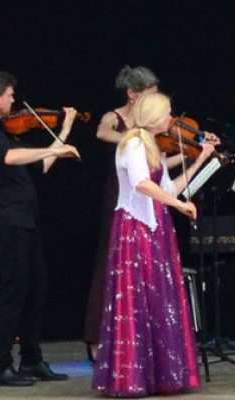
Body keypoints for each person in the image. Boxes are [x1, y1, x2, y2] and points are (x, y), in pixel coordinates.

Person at [92, 92, 214, 397]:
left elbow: (169, 186)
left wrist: (200, 159)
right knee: (137, 298)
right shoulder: (133, 143)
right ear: (154, 116)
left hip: (156, 228)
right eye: (168, 113)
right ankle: (132, 377)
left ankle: (160, 375)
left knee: (158, 296)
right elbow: (141, 185)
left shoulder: (153, 147)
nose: (172, 119)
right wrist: (179, 205)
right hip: (135, 229)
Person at [0, 69, 81, 386]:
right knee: (14, 291)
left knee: (37, 289)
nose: (14, 100)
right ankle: (1, 366)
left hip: (26, 221)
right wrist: (53, 149)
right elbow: (10, 158)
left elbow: (42, 163)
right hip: (8, 221)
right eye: (10, 95)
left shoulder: (5, 131)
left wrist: (66, 129)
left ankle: (31, 360)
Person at [83, 65, 164, 361]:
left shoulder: (151, 123)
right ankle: (97, 337)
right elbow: (102, 133)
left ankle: (140, 338)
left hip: (146, 197)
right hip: (120, 196)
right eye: (149, 95)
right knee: (110, 261)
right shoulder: (113, 117)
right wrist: (136, 140)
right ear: (132, 93)